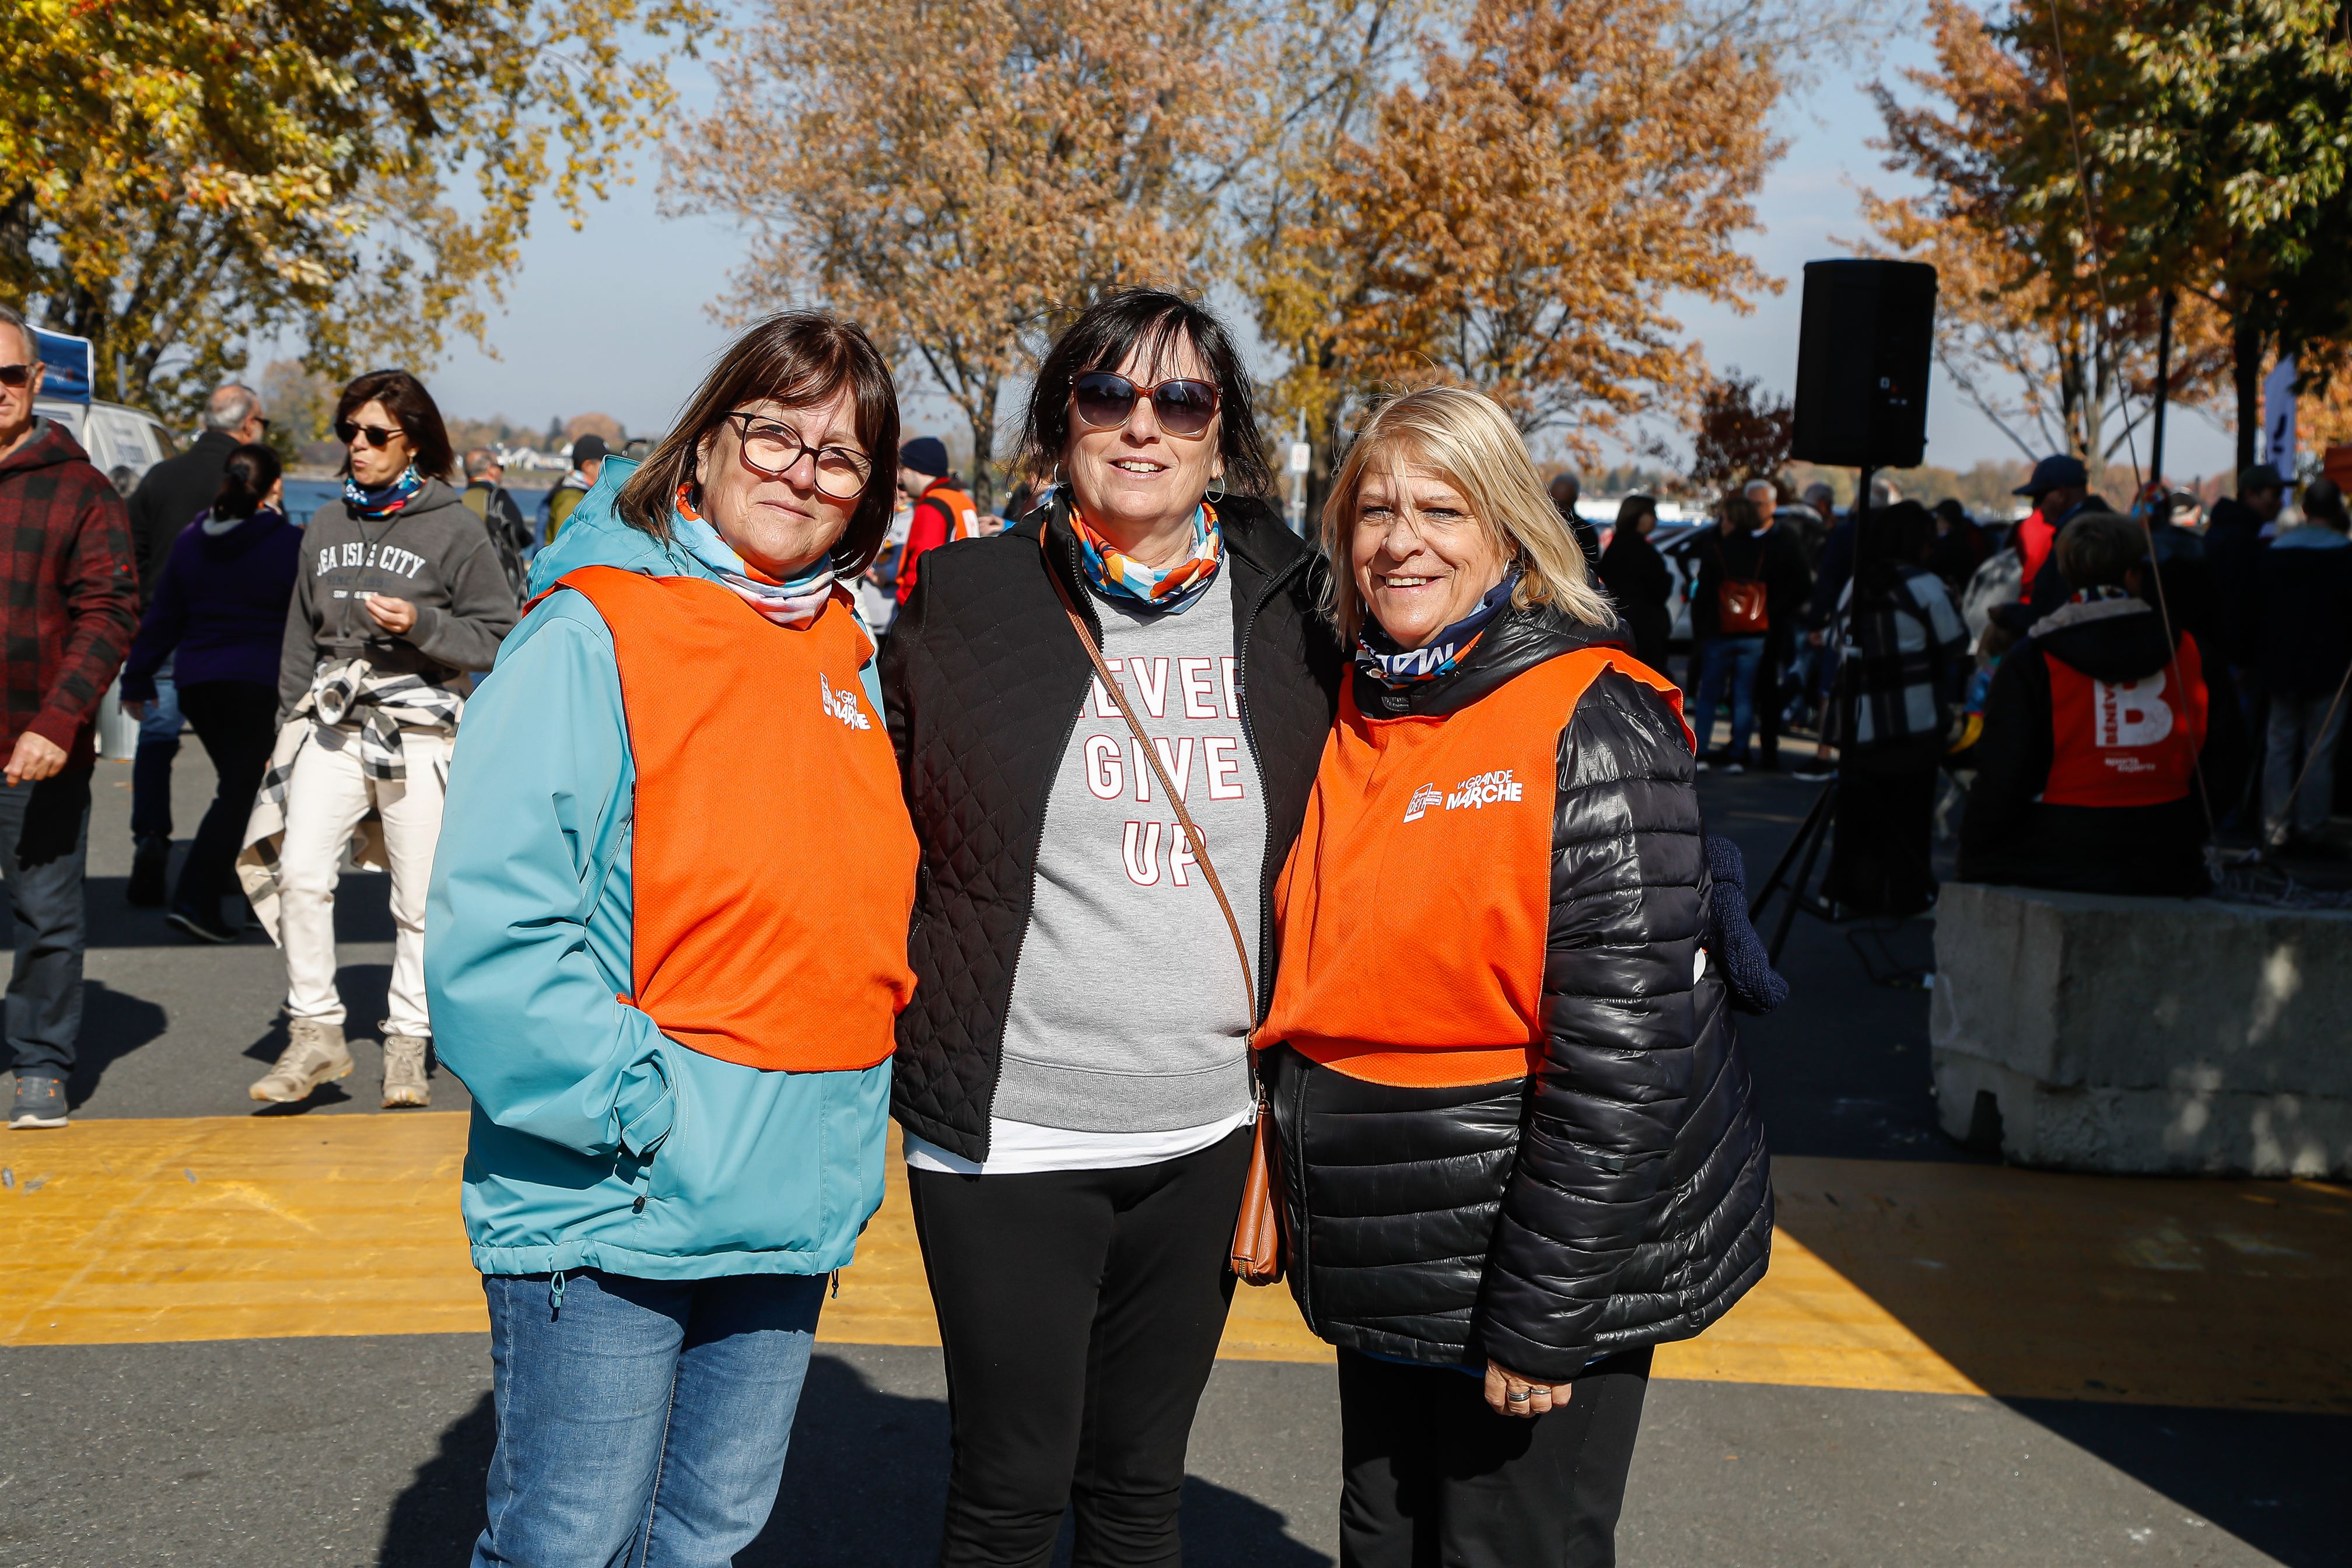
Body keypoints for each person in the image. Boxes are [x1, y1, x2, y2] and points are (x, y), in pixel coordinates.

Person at [427, 312, 913, 1568]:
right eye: (775, 434)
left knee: (706, 1538)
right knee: (568, 1540)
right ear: (701, 445)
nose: (803, 472)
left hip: (790, 1189)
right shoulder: (591, 630)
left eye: (841, 456)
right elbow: (495, 935)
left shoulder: (843, 648)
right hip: (619, 1187)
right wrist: (639, 1106)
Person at [1259, 386, 1772, 1566]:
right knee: (1382, 1539)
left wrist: (1542, 1317)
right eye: (1374, 510)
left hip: (1535, 1249)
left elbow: (1621, 1064)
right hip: (1384, 1243)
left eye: (1442, 510)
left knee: (1510, 1547)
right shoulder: (1356, 696)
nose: (1402, 541)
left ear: (1509, 533)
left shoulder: (1593, 721)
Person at [880, 287, 1342, 1566]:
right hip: (1011, 1131)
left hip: (1206, 1130)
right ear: (1061, 423)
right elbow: (864, 815)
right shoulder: (964, 599)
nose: (1144, 425)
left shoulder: (1295, 609)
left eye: (1182, 400)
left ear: (1220, 435)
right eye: (1108, 395)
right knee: (1009, 1494)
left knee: (1139, 1494)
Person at [241, 369, 518, 1110]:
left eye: (374, 434)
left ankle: (408, 1038)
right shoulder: (327, 523)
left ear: (414, 442)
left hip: (419, 726)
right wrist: (285, 727)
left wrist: (422, 625)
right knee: (300, 874)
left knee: (417, 898)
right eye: (349, 433)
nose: (357, 447)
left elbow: (501, 635)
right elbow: (299, 637)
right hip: (330, 722)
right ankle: (315, 1031)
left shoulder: (455, 527)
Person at [0, 303, 140, 1130]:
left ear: (36, 379)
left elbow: (110, 613)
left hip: (36, 746)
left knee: (44, 914)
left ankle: (40, 1062)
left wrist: (57, 723)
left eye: (10, 374)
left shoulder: (81, 489)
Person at [1959, 512, 2244, 895]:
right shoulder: (2193, 652)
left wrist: (1975, 852)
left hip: (2060, 850)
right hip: (2166, 849)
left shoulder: (2032, 659)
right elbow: (2228, 761)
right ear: (2133, 575)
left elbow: (2001, 771)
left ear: (2066, 574)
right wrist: (2191, 829)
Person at [120, 443, 303, 942]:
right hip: (258, 683)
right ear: (275, 486)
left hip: (198, 683)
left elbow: (165, 615)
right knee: (245, 790)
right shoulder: (289, 545)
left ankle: (238, 884)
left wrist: (137, 676)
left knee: (242, 786)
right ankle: (197, 897)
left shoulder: (192, 540)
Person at [122, 383, 267, 905]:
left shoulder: (161, 476)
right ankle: (224, 850)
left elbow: (132, 550)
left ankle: (151, 837)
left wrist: (145, 610)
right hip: (227, 640)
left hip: (164, 629)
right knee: (237, 761)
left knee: (157, 741)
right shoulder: (245, 484)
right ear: (248, 425)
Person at [1820, 501, 1971, 916]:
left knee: (1860, 814)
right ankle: (1910, 896)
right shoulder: (1925, 585)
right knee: (1910, 813)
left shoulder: (1856, 584)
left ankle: (1851, 894)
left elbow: (1837, 642)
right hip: (1913, 719)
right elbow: (1956, 645)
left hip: (1858, 720)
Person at [2255, 476, 2351, 853]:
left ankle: (2275, 825)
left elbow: (2258, 611)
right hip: (2331, 666)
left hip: (2281, 663)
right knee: (2320, 750)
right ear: (2338, 510)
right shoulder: (2345, 554)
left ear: (2305, 509)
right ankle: (2312, 826)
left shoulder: (2275, 553)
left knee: (2279, 746)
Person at [1689, 491, 1771, 771]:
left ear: (1733, 520)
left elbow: (1703, 593)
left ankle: (1701, 751)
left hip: (1719, 630)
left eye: (1724, 518)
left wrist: (1701, 630)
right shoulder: (1763, 550)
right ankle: (1738, 753)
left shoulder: (1716, 549)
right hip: (1754, 631)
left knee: (1709, 694)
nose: (1721, 523)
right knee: (1743, 695)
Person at [1742, 477, 1814, 771]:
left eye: (1759, 504)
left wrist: (1774, 611)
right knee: (1741, 689)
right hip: (1737, 626)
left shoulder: (1786, 539)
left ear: (1773, 506)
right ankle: (1739, 748)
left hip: (1771, 627)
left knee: (1768, 689)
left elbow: (1802, 583)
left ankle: (1768, 748)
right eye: (1749, 504)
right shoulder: (1736, 535)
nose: (1753, 509)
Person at [893, 436, 980, 606]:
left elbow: (922, 565)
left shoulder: (932, 505)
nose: (901, 478)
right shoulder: (961, 498)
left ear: (916, 469)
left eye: (903, 469)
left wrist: (907, 603)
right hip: (962, 595)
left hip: (933, 604)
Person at [1597, 492, 1671, 667]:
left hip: (1623, 620)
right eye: (1653, 514)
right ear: (1639, 516)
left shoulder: (1616, 545)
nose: (1656, 520)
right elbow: (1657, 588)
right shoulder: (1640, 549)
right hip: (1643, 626)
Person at [459, 447, 533, 600]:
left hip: (465, 580)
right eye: (500, 467)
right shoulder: (498, 498)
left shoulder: (459, 501)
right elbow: (518, 531)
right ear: (491, 470)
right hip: (497, 581)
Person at [541, 432, 606, 545]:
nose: (608, 469)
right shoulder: (571, 499)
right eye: (605, 463)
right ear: (588, 466)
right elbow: (565, 545)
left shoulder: (579, 494)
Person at [1546, 470, 1604, 573]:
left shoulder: (1586, 532)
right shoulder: (1539, 525)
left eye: (1563, 505)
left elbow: (1590, 570)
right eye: (1554, 502)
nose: (1558, 509)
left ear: (1574, 500)